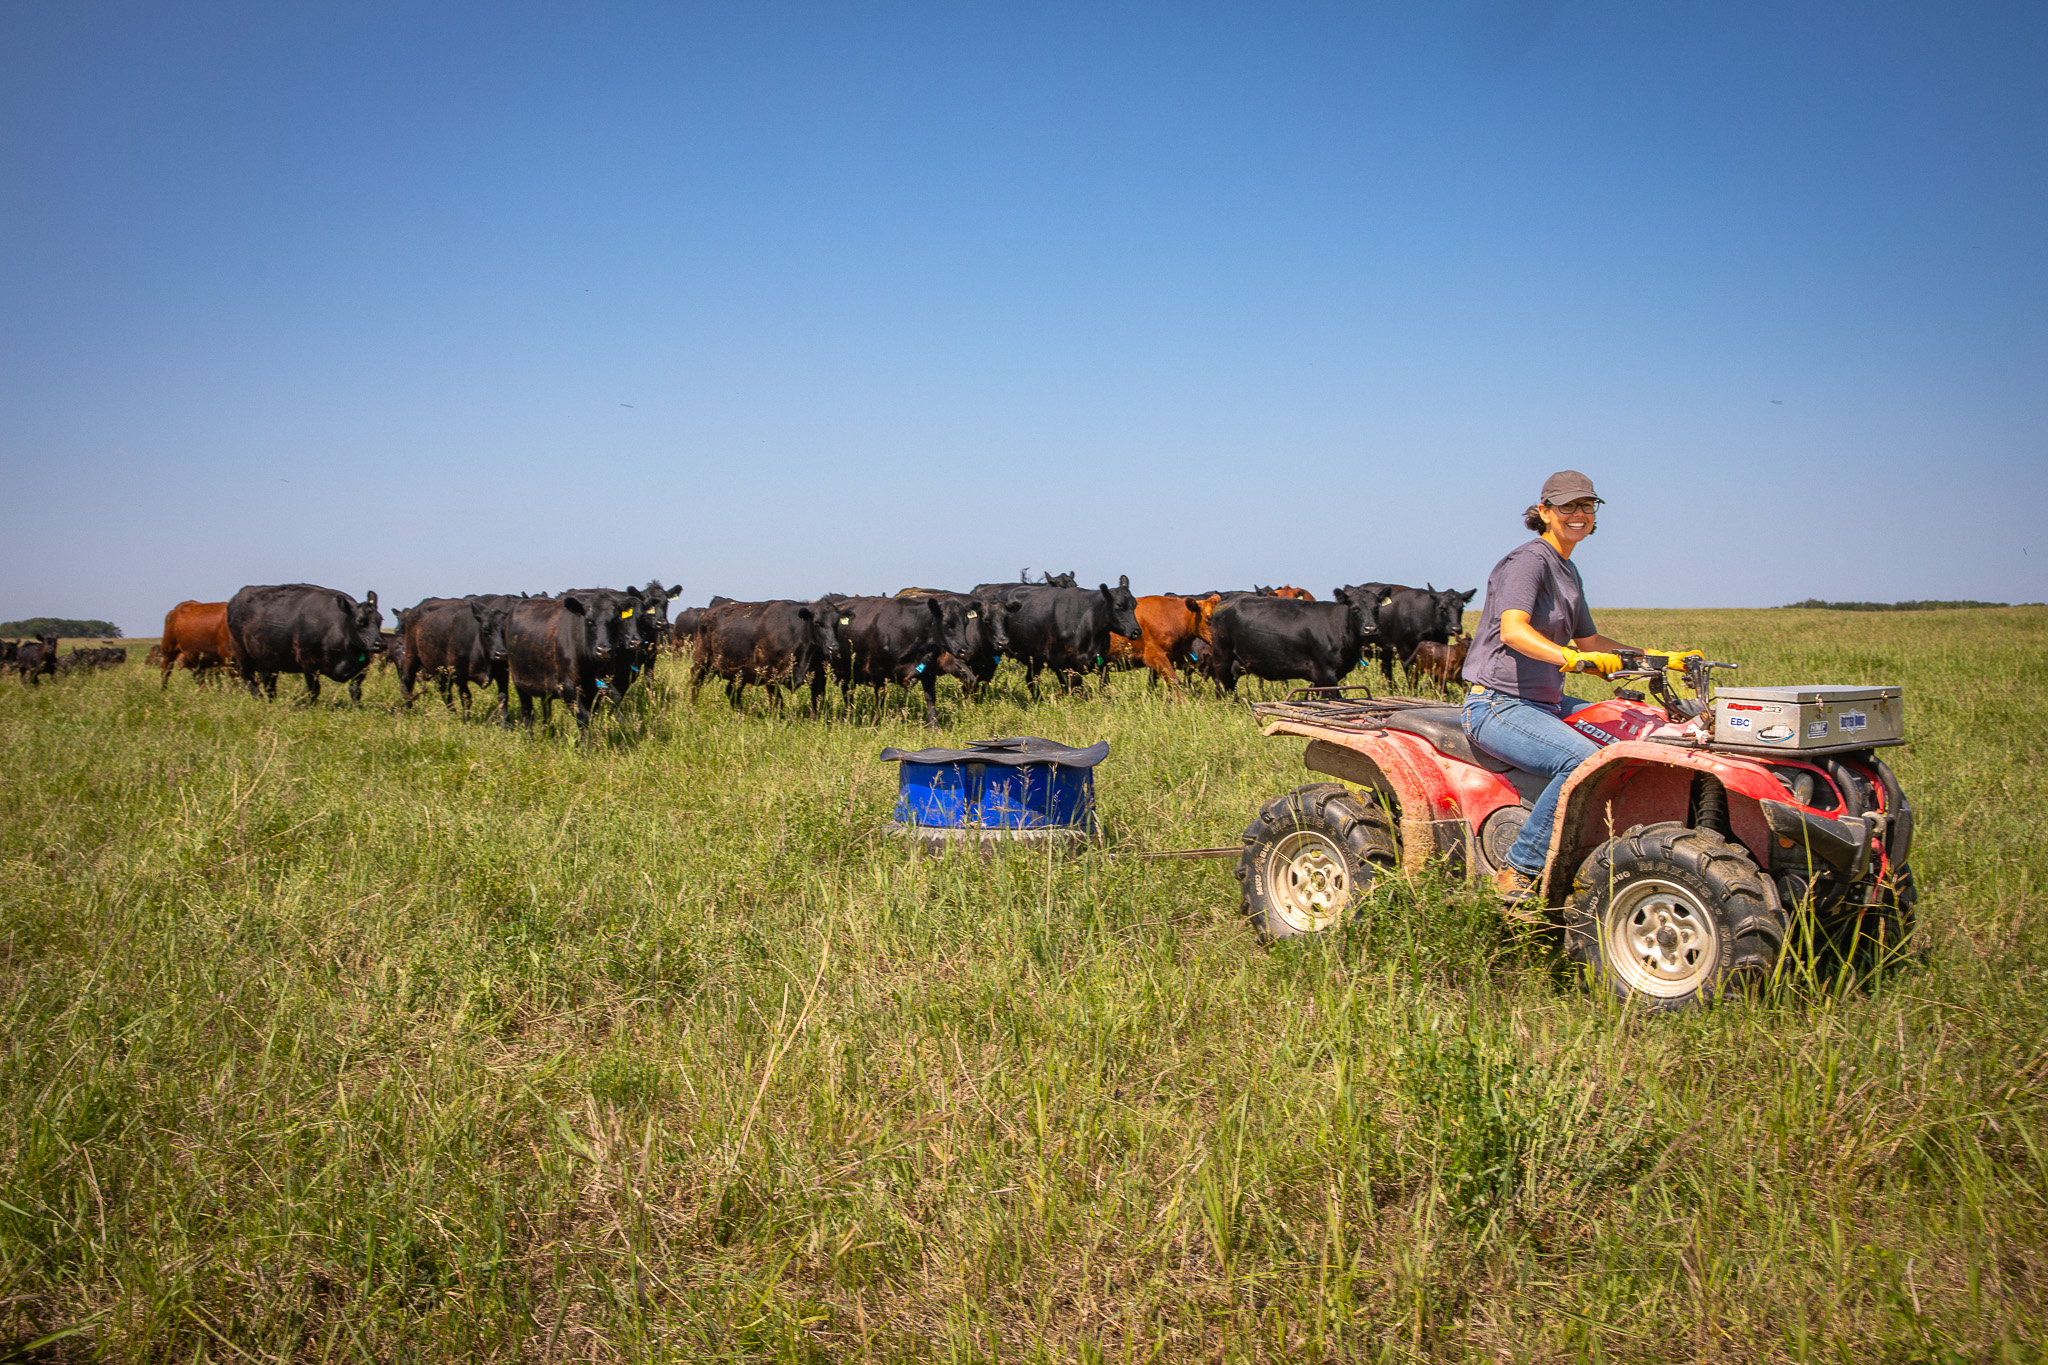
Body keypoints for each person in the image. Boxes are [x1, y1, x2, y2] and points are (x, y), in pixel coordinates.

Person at [1460, 471, 1640, 904]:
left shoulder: (1568, 569)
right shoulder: (1529, 561)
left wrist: (1651, 658)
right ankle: (1520, 868)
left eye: (1587, 505)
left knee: (1632, 732)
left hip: (1546, 702)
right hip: (1498, 704)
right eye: (1568, 506)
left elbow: (1591, 642)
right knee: (1583, 760)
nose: (1578, 514)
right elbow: (1513, 631)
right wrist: (1571, 660)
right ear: (1544, 511)